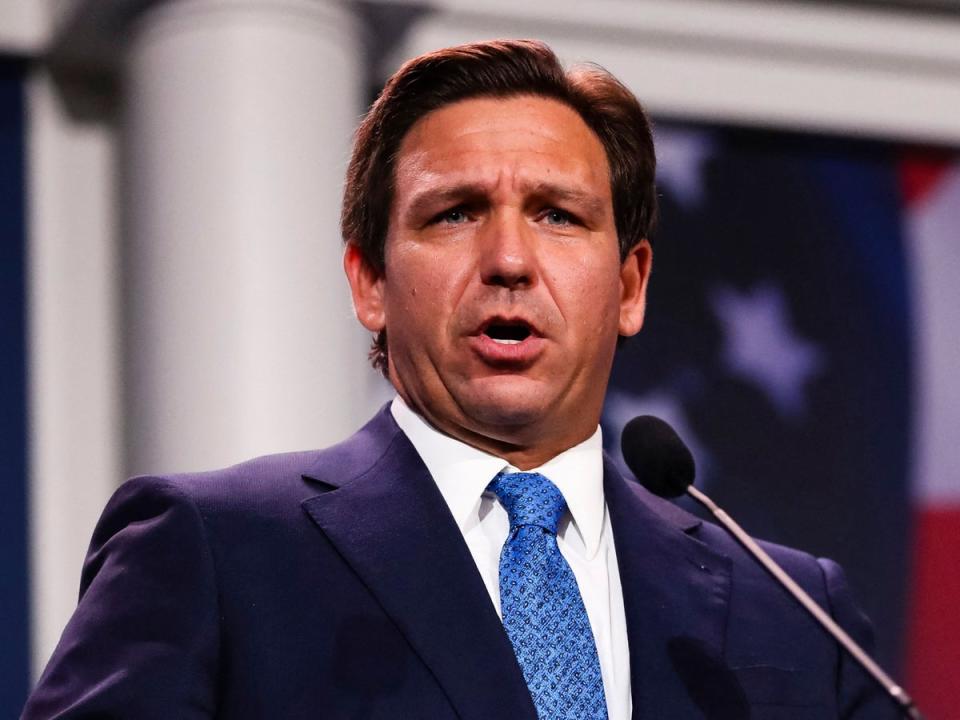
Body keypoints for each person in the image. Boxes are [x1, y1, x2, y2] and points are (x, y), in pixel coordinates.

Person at [23, 39, 895, 719]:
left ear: (629, 285)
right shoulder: (214, 551)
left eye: (558, 214)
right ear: (370, 282)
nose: (509, 259)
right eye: (455, 213)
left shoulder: (793, 608)